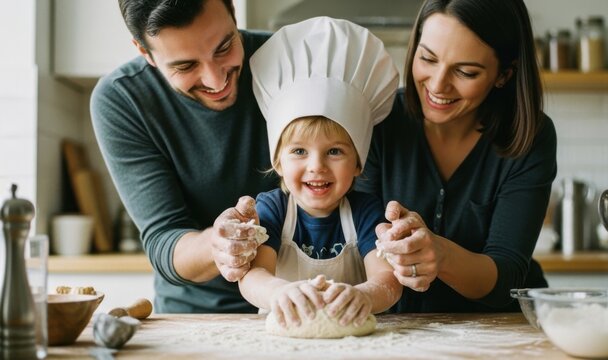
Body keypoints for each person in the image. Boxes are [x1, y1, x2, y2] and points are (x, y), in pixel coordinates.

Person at [354, 0, 558, 312]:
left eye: (465, 71)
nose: (437, 85)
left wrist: (441, 255)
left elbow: (509, 277)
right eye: (427, 59)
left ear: (503, 74)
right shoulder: (378, 120)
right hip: (396, 328)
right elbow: (355, 237)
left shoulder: (530, 136)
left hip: (501, 331)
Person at [90, 0, 279, 313]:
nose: (216, 80)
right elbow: (164, 237)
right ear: (144, 52)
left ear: (232, 10)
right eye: (185, 66)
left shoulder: (289, 60)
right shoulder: (123, 99)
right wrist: (218, 245)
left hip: (308, 300)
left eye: (224, 47)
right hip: (199, 316)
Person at [237, 17, 402, 328]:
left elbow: (387, 280)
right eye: (299, 151)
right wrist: (280, 293)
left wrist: (364, 296)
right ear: (278, 163)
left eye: (335, 151)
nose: (317, 166)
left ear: (358, 163)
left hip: (354, 341)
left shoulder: (366, 212)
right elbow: (252, 277)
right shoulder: (271, 209)